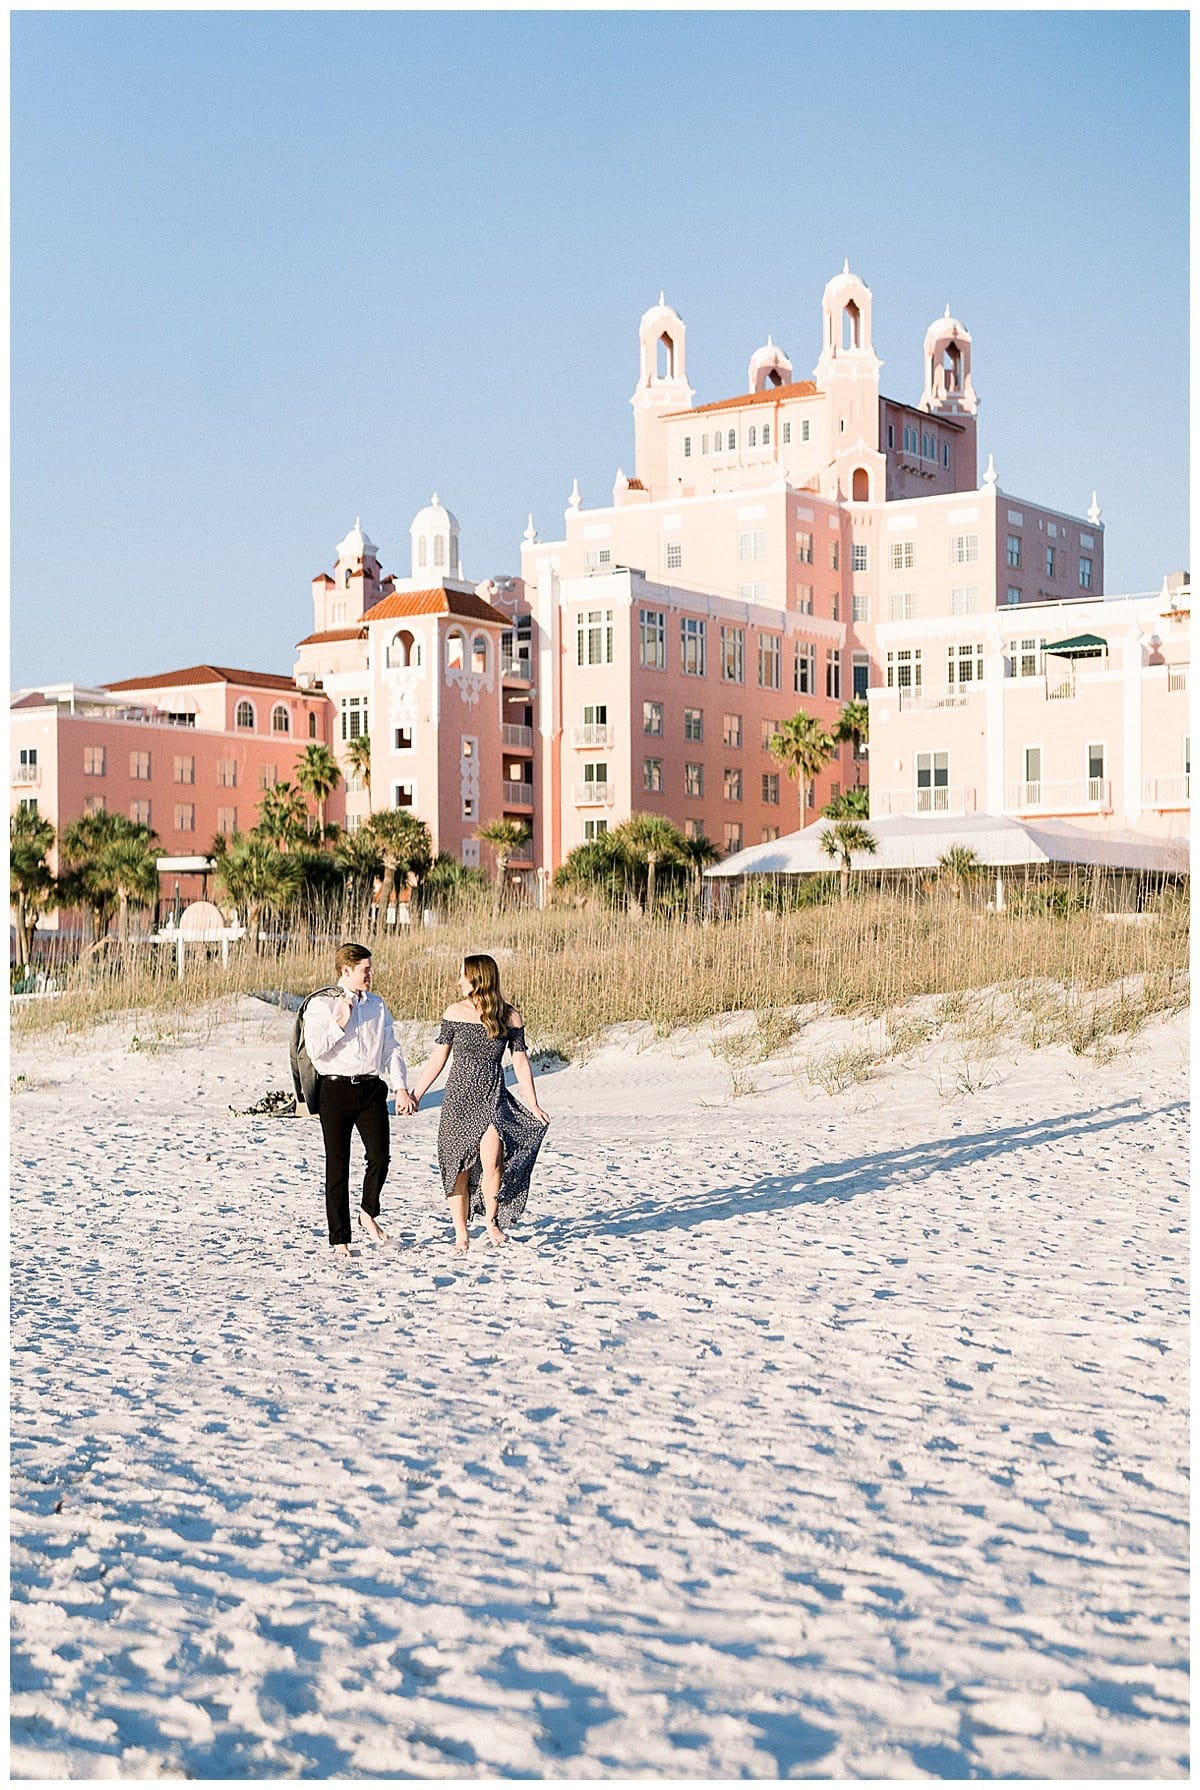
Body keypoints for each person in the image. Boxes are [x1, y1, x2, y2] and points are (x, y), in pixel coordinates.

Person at [410, 953, 549, 1252]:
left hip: (492, 1096)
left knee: (493, 1162)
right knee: (457, 1166)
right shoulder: (454, 1012)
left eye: (463, 974)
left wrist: (533, 1103)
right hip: (458, 1099)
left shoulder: (510, 1017)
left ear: (478, 978)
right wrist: (417, 1093)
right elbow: (439, 1057)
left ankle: (491, 1220)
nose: (458, 980)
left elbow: (521, 1063)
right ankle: (461, 1232)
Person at [303, 942, 417, 1262]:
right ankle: (340, 1239)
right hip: (335, 1091)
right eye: (365, 970)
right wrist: (339, 1023)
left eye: (370, 968)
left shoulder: (377, 1006)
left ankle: (368, 1212)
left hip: (370, 1089)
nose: (371, 974)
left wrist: (401, 1088)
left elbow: (391, 1049)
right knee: (337, 1166)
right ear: (346, 971)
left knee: (380, 1157)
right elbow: (316, 1051)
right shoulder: (321, 1005)